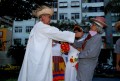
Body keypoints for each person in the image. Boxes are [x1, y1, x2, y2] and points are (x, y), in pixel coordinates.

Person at [17, 5, 82, 81]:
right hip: (39, 60)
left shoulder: (37, 27)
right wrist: (75, 35)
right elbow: (57, 33)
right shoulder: (42, 27)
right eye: (49, 17)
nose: (50, 20)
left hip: (36, 59)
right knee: (39, 77)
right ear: (43, 17)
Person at [77, 16, 107, 81]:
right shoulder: (89, 36)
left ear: (97, 27)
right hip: (83, 65)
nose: (91, 26)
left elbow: (91, 53)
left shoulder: (97, 38)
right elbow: (79, 44)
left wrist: (78, 55)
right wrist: (71, 37)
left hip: (87, 67)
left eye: (93, 24)